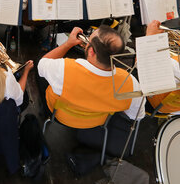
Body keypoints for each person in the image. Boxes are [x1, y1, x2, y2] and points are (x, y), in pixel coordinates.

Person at [37, 26, 144, 158]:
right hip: (96, 122)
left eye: (89, 39)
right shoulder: (131, 84)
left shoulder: (64, 69)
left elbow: (42, 64)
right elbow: (137, 116)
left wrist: (68, 44)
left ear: (92, 51)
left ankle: (43, 110)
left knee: (42, 77)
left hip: (60, 116)